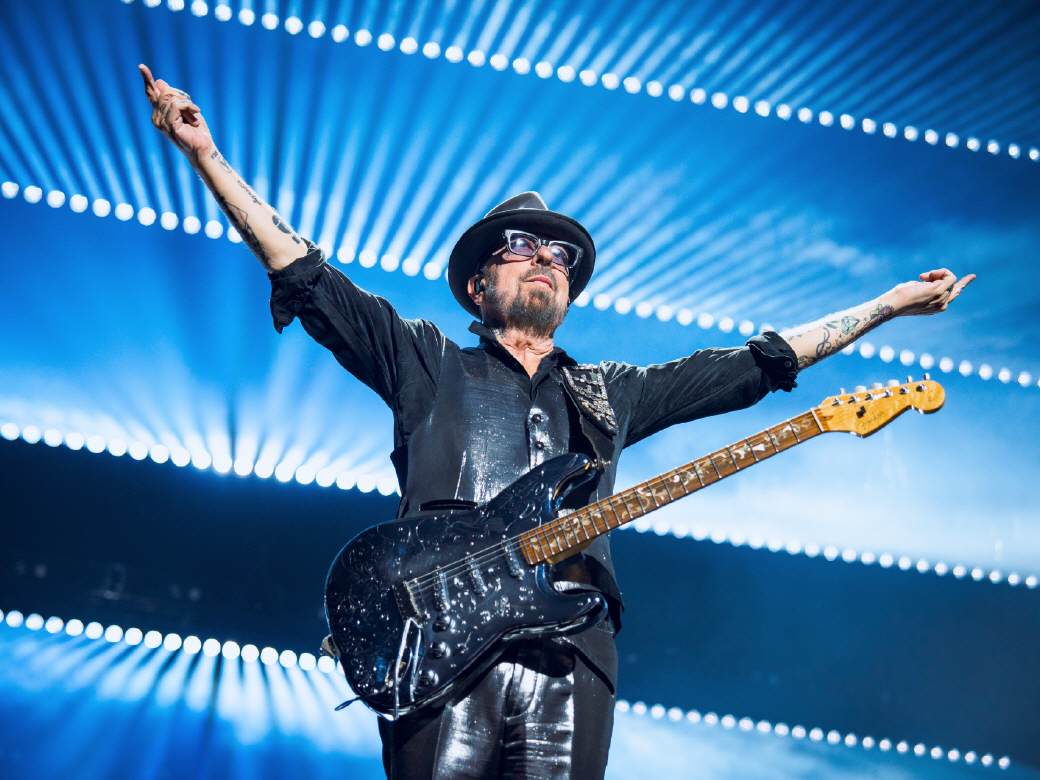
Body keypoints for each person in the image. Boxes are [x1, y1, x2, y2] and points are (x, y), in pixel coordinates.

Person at [137, 64, 975, 779]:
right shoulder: (426, 359)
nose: (545, 257)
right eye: (520, 245)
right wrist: (206, 155)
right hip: (437, 634)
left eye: (560, 255)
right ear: (477, 285)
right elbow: (308, 277)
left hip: (570, 646)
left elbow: (752, 365)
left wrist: (886, 306)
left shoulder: (611, 392)